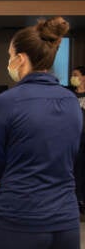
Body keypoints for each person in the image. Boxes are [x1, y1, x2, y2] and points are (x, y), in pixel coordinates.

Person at [0, 17, 82, 249]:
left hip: (17, 217)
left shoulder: (6, 101)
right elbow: (73, 153)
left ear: (21, 58)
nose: (9, 62)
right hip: (65, 220)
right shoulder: (71, 101)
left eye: (10, 56)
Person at [70, 66, 85, 213]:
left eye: (76, 75)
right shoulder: (70, 96)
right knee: (77, 169)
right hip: (75, 136)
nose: (73, 77)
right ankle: (78, 200)